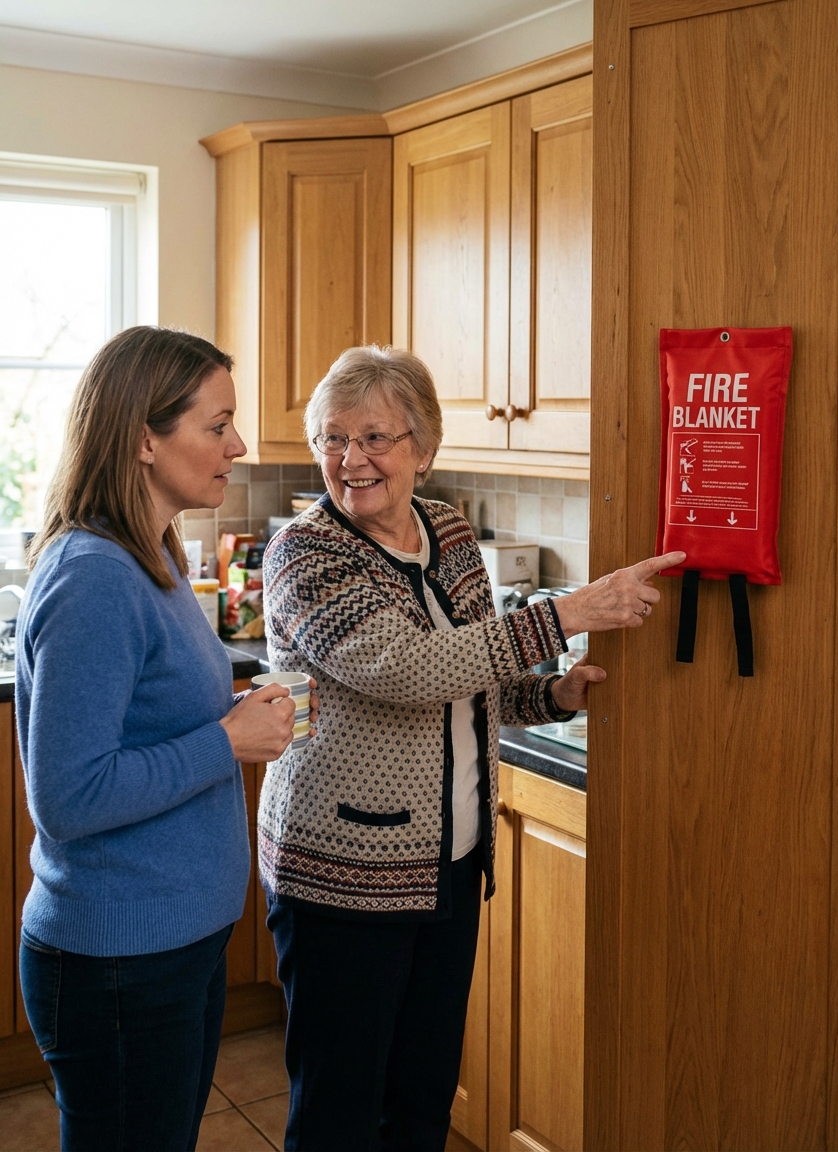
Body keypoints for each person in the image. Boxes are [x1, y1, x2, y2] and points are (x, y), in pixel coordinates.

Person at [258, 344, 684, 1152]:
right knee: (338, 1115)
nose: (351, 460)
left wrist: (548, 695)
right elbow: (405, 668)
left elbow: (473, 679)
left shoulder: (448, 532)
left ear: (423, 447)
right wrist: (568, 613)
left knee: (422, 1102)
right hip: (342, 876)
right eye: (333, 438)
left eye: (374, 437)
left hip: (448, 867)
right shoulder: (304, 553)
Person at [15, 326, 309, 1152]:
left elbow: (152, 717)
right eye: (217, 425)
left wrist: (235, 716)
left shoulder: (156, 555)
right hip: (120, 960)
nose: (238, 445)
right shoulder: (96, 576)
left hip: (170, 944)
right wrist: (227, 741)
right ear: (145, 438)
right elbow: (69, 797)